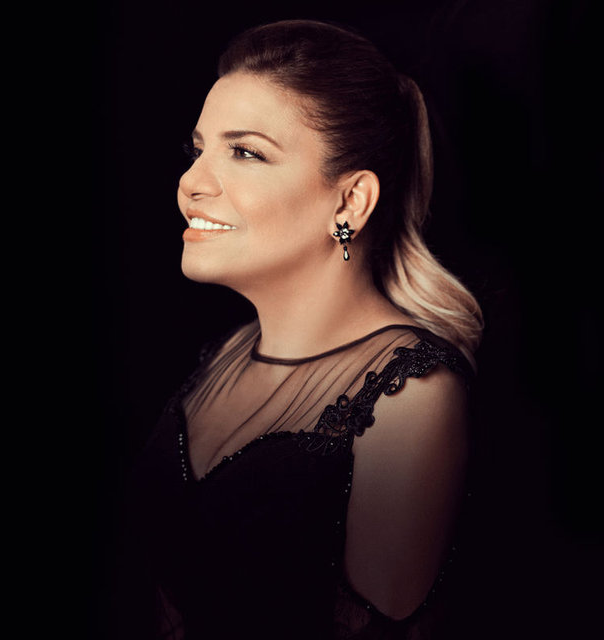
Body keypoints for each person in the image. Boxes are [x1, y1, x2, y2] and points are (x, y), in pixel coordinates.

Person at [124, 18, 484, 640]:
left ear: (350, 203)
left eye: (245, 152)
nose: (191, 184)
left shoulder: (410, 394)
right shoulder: (224, 355)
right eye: (198, 150)